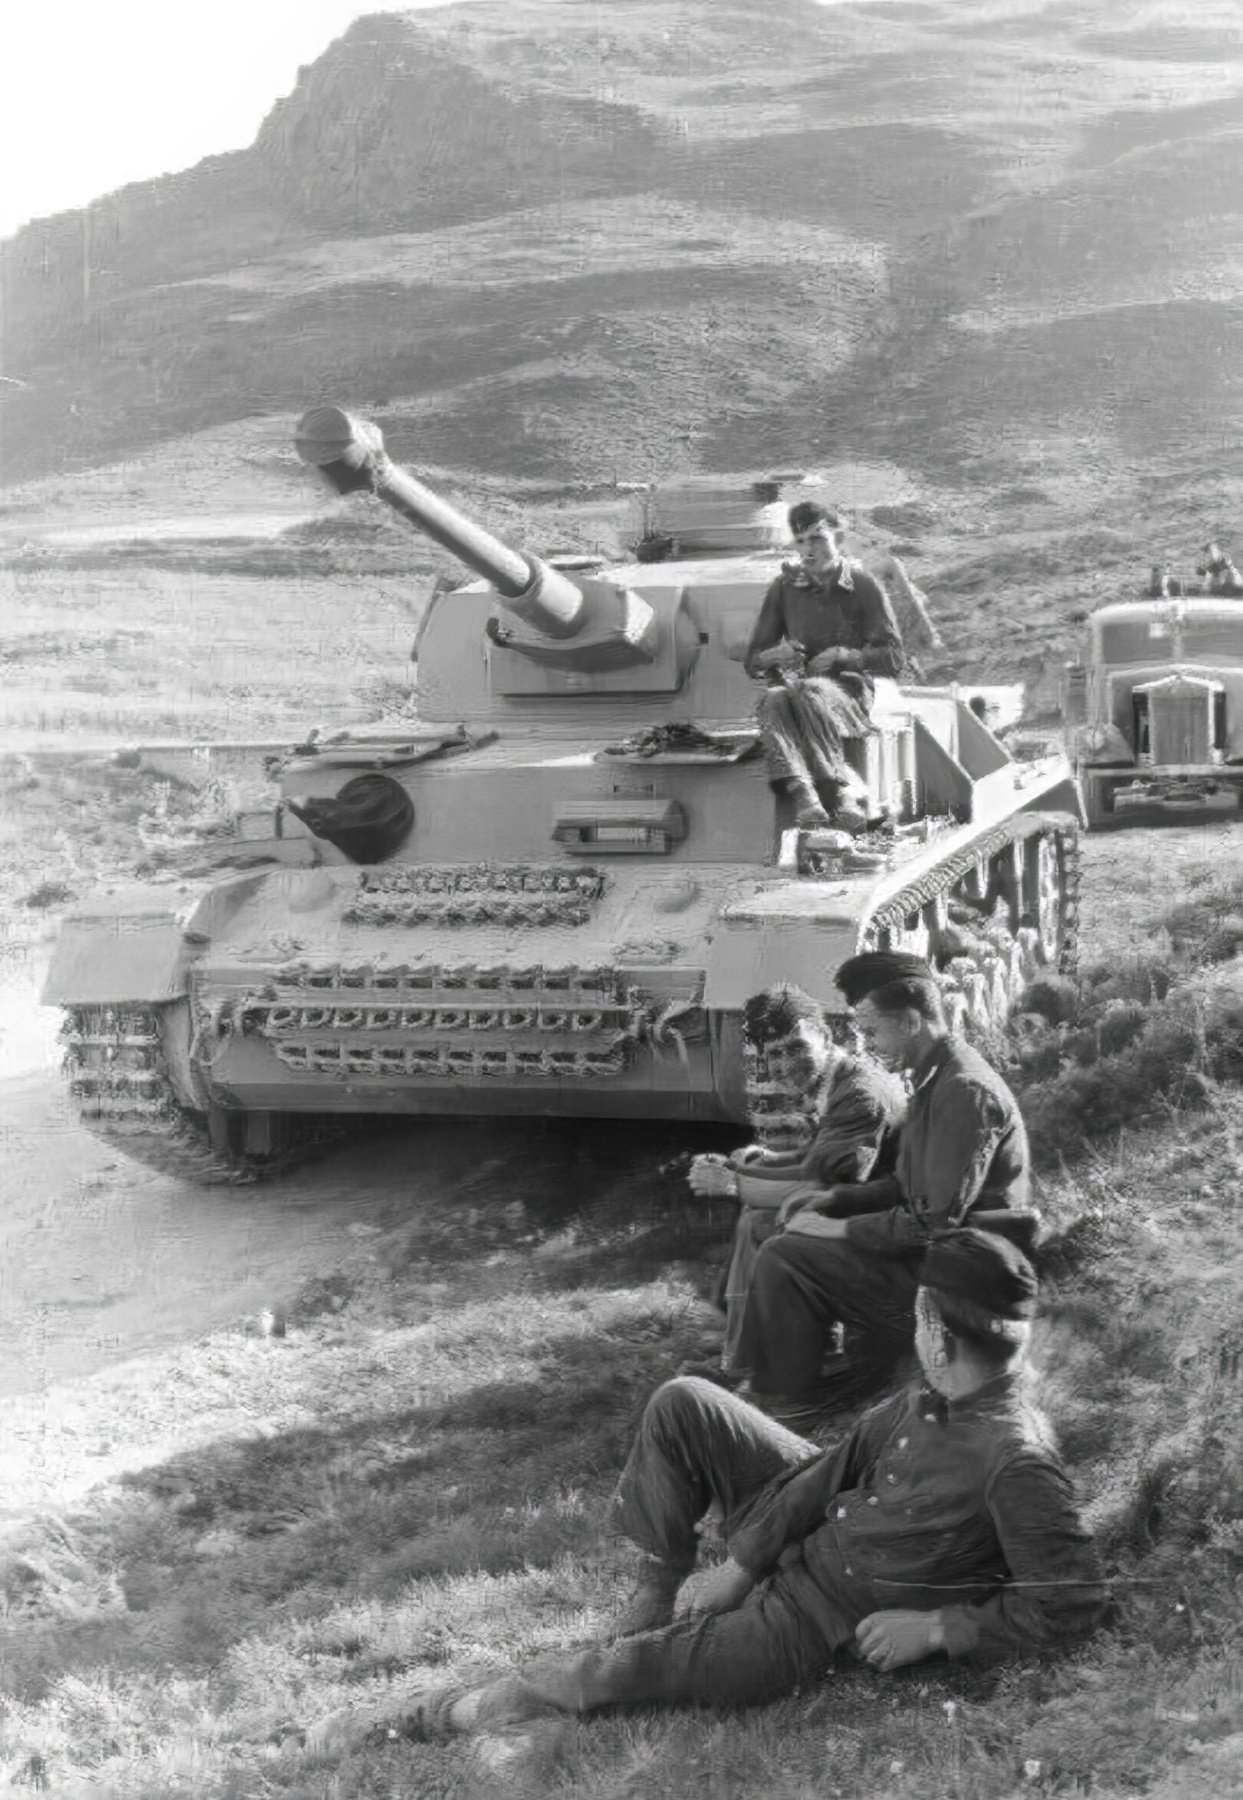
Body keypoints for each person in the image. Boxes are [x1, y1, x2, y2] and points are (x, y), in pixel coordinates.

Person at [306, 1230, 1104, 1748]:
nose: (914, 1325)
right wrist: (743, 1563)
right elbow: (827, 1471)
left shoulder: (1015, 1461)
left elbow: (1067, 1604)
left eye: (918, 1314)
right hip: (797, 1547)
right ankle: (655, 1594)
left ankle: (423, 1716)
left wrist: (937, 1630)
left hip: (807, 1627)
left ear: (936, 1331)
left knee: (613, 1675)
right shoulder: (932, 1393)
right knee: (685, 1399)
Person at [734, 951, 1034, 1418]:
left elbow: (929, 1223)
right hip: (942, 1256)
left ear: (911, 1021)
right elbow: (905, 1185)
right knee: (793, 1231)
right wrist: (835, 1198)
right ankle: (793, 1370)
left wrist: (832, 1230)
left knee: (786, 1255)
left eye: (872, 1030)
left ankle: (794, 1398)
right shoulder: (939, 1077)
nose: (868, 1045)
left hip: (964, 1280)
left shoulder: (964, 1092)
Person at [687, 985, 904, 1373]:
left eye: (796, 1047)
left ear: (823, 1034)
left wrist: (734, 1184)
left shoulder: (859, 1093)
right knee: (755, 1218)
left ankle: (793, 1355)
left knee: (762, 1224)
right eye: (775, 1055)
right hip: (872, 1208)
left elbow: (831, 1183)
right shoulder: (841, 1079)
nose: (787, 1065)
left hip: (890, 1228)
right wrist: (762, 1161)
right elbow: (820, 1159)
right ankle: (743, 1349)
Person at [744, 502, 904, 832]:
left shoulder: (862, 585)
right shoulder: (783, 589)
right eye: (801, 540)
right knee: (773, 699)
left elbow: (894, 657)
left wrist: (843, 655)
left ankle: (839, 791)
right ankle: (803, 792)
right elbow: (754, 660)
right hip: (795, 692)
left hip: (848, 694)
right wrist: (779, 653)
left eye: (817, 538)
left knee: (811, 691)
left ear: (839, 537)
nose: (809, 548)